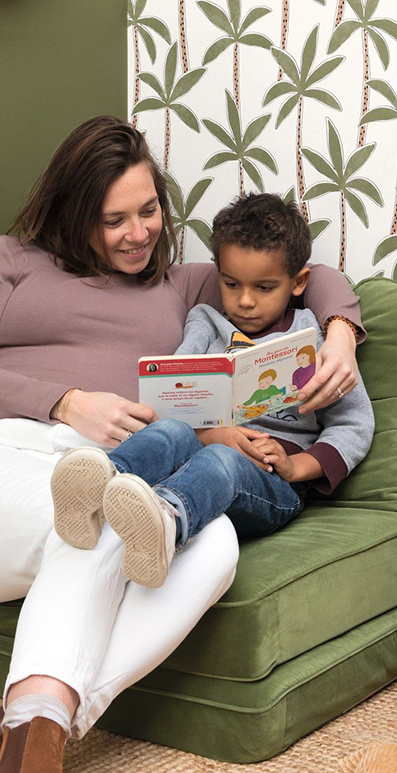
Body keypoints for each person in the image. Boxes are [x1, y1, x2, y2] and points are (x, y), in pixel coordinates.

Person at [0, 117, 363, 773]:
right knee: (103, 510)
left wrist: (343, 331)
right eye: (115, 219)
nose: (139, 232)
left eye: (150, 210)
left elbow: (308, 278)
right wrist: (64, 401)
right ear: (73, 212)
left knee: (211, 542)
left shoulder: (180, 283)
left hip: (110, 480)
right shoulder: (8, 262)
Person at [49, 193, 374, 589]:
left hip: (274, 482)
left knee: (222, 458)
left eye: (265, 287)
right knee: (170, 431)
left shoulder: (313, 339)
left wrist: (296, 468)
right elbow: (170, 397)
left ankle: (165, 525)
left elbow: (355, 422)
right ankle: (98, 485)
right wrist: (209, 433)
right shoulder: (204, 322)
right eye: (231, 283)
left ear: (298, 282)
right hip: (201, 450)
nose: (245, 301)